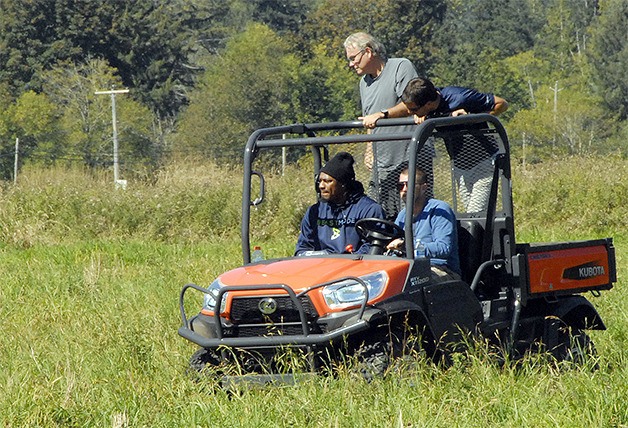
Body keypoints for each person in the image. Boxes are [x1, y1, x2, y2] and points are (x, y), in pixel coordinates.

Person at [369, 77, 509, 213]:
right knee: (470, 214)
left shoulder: (460, 97)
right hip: (461, 166)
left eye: (415, 110)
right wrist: (382, 115)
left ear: (428, 104)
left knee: (475, 213)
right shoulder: (425, 103)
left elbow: (501, 104)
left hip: (484, 162)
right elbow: (406, 109)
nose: (411, 113)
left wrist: (472, 116)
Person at [344, 32, 432, 220]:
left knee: (414, 213)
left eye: (353, 58)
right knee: (379, 214)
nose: (351, 64)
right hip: (382, 163)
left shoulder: (401, 66)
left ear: (368, 51)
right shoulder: (364, 83)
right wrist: (369, 148)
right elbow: (369, 118)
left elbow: (412, 103)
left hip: (410, 156)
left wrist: (383, 114)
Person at [295, 152, 385, 256]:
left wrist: (344, 259)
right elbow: (302, 248)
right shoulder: (314, 212)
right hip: (320, 267)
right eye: (320, 181)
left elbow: (373, 247)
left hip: (355, 268)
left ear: (343, 184)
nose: (321, 186)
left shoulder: (369, 210)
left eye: (328, 181)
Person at [387, 167, 461, 280]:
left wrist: (408, 247)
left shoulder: (440, 210)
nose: (404, 189)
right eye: (400, 186)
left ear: (424, 188)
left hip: (440, 269)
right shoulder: (402, 215)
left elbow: (443, 247)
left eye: (409, 185)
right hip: (410, 267)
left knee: (409, 281)